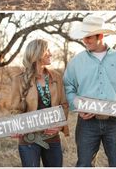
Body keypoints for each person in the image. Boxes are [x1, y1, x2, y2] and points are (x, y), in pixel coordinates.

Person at [63, 15, 116, 167]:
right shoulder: (77, 61)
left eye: (89, 37)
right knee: (84, 164)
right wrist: (77, 105)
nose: (85, 40)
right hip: (87, 123)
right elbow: (68, 87)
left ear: (101, 36)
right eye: (84, 37)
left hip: (114, 121)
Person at [11, 39, 69, 167]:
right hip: (28, 139)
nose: (50, 53)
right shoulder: (19, 80)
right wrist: (17, 126)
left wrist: (59, 125)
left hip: (52, 138)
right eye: (47, 50)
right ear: (37, 53)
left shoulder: (57, 77)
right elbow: (15, 110)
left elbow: (64, 105)